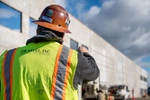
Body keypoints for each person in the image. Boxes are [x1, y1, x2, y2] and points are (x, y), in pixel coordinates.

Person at [0, 4, 99, 100]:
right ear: (62, 35)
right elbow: (94, 72)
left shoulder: (7, 57)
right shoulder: (73, 58)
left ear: (38, 29)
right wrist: (85, 53)